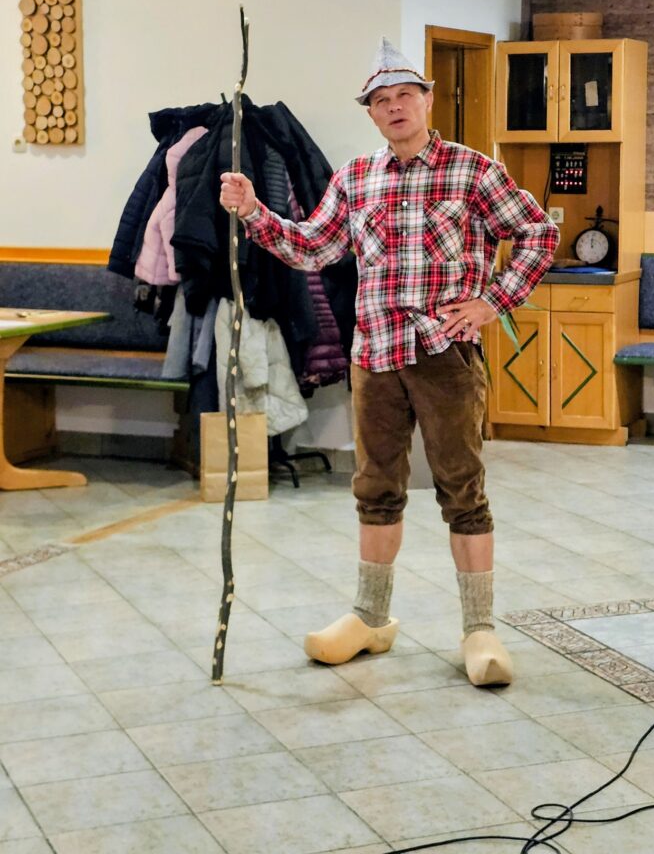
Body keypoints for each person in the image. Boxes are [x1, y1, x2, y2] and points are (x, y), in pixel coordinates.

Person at [220, 37, 559, 686]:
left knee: (463, 489)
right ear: (371, 113)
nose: (395, 106)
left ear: (427, 101)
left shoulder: (473, 171)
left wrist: (492, 302)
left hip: (445, 356)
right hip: (373, 356)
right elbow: (313, 248)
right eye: (382, 100)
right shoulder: (355, 178)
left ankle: (479, 629)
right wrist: (254, 211)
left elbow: (539, 234)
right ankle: (370, 618)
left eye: (406, 95)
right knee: (375, 488)